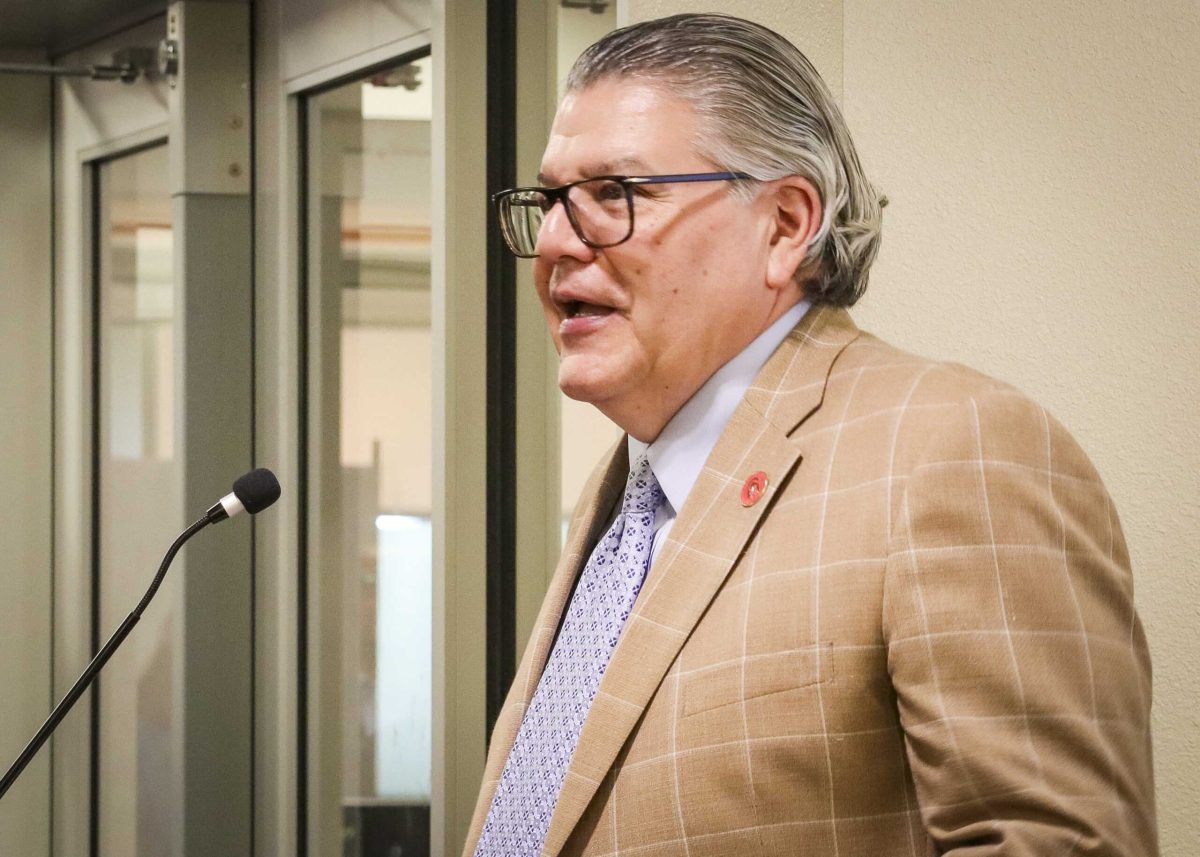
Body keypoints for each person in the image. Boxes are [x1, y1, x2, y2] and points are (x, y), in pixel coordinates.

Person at [466, 13, 1156, 857]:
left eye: (614, 194)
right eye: (549, 201)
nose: (556, 244)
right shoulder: (620, 501)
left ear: (787, 223)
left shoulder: (955, 449)